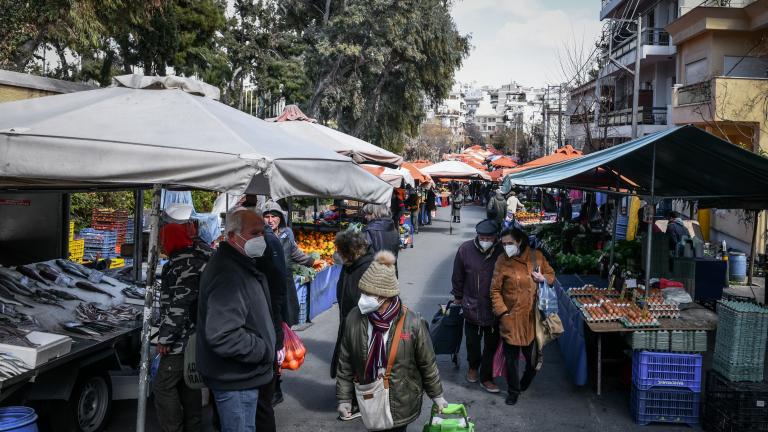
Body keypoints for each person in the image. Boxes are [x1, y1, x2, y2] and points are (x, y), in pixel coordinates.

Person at [336, 251, 448, 431]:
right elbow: (345, 362)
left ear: (385, 296)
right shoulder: (354, 318)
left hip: (402, 401)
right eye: (363, 292)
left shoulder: (413, 323)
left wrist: (437, 396)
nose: (363, 298)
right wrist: (344, 398)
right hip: (369, 397)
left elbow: (427, 363)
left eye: (369, 294)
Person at [197, 209, 276, 432]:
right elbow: (223, 335)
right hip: (236, 381)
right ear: (233, 236)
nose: (261, 239)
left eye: (263, 232)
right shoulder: (228, 274)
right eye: (255, 233)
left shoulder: (241, 263)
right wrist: (263, 350)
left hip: (240, 378)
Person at [154, 222, 212, 432]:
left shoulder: (184, 264)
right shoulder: (197, 257)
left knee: (163, 386)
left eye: (163, 239)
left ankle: (173, 428)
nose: (161, 243)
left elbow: (180, 304)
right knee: (189, 382)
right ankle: (193, 427)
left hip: (182, 340)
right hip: (196, 336)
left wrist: (165, 338)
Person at [491, 228, 555, 406]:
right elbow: (495, 290)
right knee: (511, 360)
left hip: (532, 319)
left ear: (519, 241)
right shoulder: (502, 261)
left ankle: (524, 382)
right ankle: (513, 391)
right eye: (503, 244)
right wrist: (502, 312)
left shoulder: (536, 256)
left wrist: (543, 278)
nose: (506, 247)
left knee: (534, 359)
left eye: (509, 243)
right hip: (510, 318)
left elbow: (551, 275)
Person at [451, 220, 502, 393]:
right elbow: (457, 275)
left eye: (489, 237)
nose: (485, 240)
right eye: (482, 237)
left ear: (496, 237)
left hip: (494, 308)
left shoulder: (502, 252)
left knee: (491, 344)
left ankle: (487, 377)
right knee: (472, 342)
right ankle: (473, 367)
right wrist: (458, 296)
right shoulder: (465, 250)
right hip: (471, 304)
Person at [330, 230, 375, 421]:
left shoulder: (367, 268)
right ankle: (351, 399)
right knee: (347, 362)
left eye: (340, 251)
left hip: (362, 327)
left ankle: (360, 403)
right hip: (348, 322)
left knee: (358, 365)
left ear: (351, 252)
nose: (337, 254)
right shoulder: (350, 267)